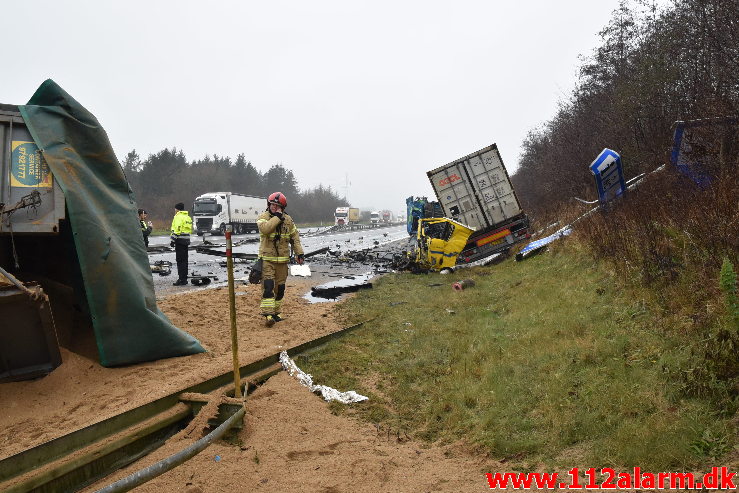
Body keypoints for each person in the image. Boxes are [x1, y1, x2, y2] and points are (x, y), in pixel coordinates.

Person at [257, 192, 304, 326]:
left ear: (282, 207)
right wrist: (277, 217)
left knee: (280, 288)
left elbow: (295, 238)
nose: (274, 207)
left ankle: (277, 312)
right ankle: (268, 314)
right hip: (267, 260)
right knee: (268, 287)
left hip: (282, 262)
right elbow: (266, 229)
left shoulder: (288, 220)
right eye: (272, 204)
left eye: (277, 205)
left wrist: (299, 253)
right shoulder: (263, 217)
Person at [170, 202, 192, 286]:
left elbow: (177, 229)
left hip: (179, 241)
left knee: (180, 261)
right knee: (185, 261)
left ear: (177, 209)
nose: (174, 210)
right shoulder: (187, 217)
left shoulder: (178, 217)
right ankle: (184, 278)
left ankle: (181, 279)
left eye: (175, 208)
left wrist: (173, 240)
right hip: (186, 241)